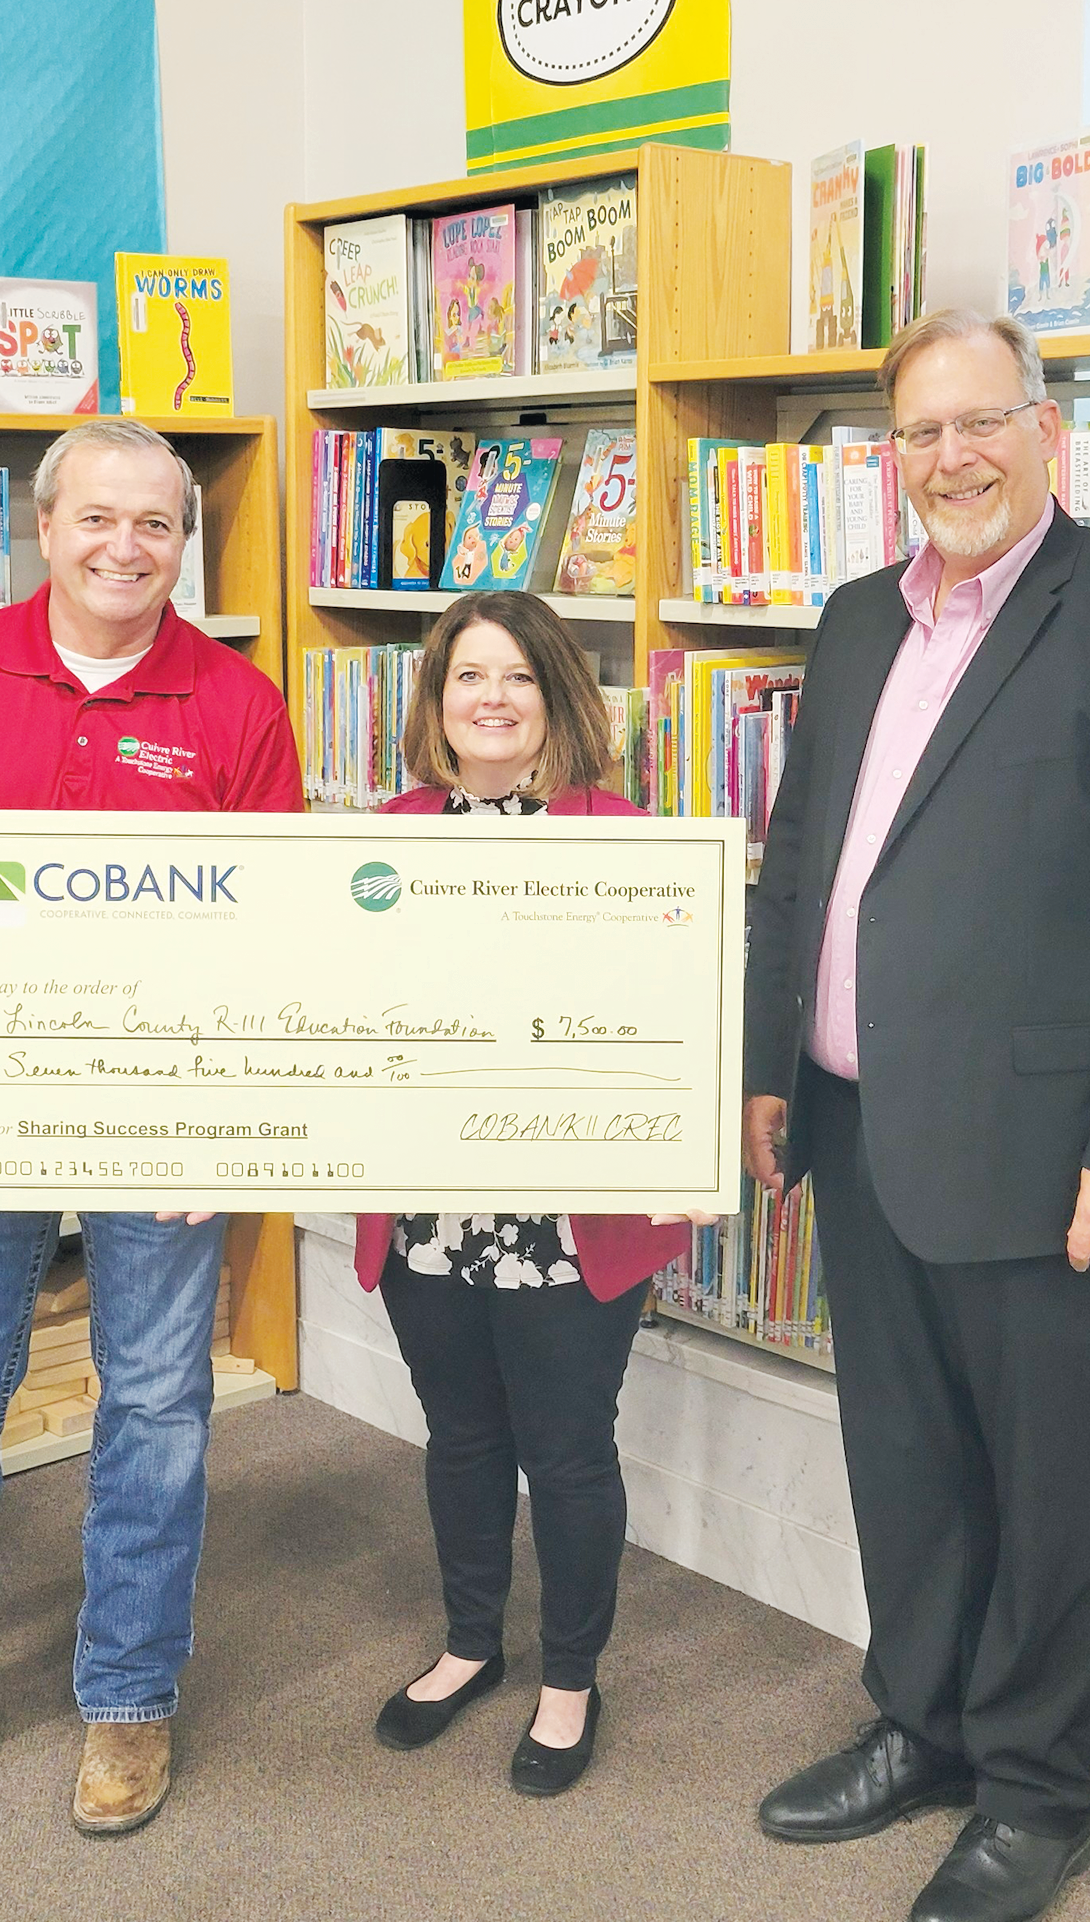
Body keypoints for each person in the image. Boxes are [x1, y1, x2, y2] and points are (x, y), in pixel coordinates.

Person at [741, 309, 1090, 1922]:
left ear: (1050, 431)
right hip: (862, 1122)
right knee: (905, 1458)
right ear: (889, 454)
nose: (953, 457)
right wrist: (772, 1064)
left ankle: (1041, 1790)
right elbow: (805, 867)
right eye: (920, 433)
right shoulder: (849, 624)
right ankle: (929, 1721)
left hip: (1059, 1163)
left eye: (984, 423)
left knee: (1049, 1487)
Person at [0, 415, 303, 1849]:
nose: (125, 547)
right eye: (97, 518)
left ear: (181, 537)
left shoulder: (236, 698)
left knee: (156, 1403)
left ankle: (130, 1690)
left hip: (168, 1098)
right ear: (44, 525)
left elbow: (276, 922)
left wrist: (222, 1126)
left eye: (155, 524)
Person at [354, 593, 689, 1797]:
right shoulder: (380, 837)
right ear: (436, 703)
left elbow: (673, 1025)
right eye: (466, 678)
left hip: (569, 1219)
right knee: (462, 1436)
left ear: (556, 697)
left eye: (517, 678)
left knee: (566, 1447)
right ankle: (467, 1643)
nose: (490, 699)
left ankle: (568, 1676)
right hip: (430, 1213)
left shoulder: (629, 839)